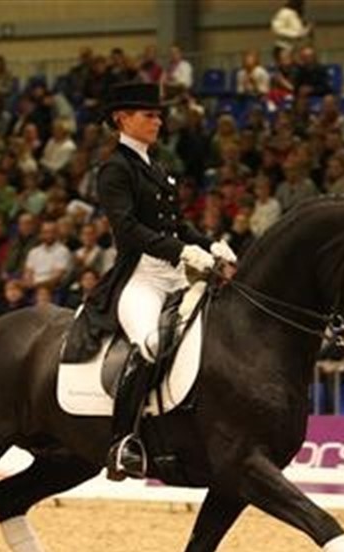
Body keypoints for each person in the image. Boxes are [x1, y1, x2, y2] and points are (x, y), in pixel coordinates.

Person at [87, 82, 229, 481]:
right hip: (141, 278)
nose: (158, 121)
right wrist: (183, 251)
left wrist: (210, 245)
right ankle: (122, 443)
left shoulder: (157, 167)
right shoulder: (115, 168)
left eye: (159, 115)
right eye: (149, 115)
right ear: (122, 118)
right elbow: (128, 229)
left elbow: (177, 225)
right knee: (150, 344)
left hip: (175, 276)